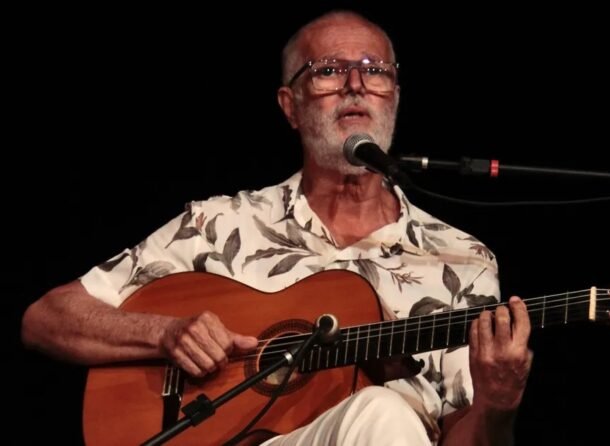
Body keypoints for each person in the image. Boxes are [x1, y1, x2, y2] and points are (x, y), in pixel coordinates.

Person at [21, 10, 532, 446]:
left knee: (384, 413)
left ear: (394, 96)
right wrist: (165, 333)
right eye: (328, 70)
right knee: (383, 412)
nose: (355, 85)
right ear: (291, 106)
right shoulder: (220, 224)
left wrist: (498, 402)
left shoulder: (460, 261)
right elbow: (47, 317)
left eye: (375, 71)